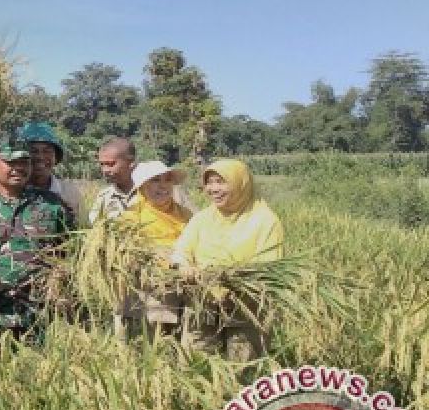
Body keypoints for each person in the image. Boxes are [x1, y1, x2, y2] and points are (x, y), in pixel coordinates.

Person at [0, 130, 75, 345]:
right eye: (10, 162)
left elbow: (69, 249)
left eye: (24, 162)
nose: (18, 168)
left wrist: (59, 277)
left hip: (38, 312)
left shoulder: (53, 205)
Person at [172, 159, 284, 360]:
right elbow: (182, 249)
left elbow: (268, 267)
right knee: (196, 363)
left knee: (242, 368)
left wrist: (229, 278)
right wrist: (184, 266)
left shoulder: (265, 221)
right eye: (209, 182)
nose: (213, 189)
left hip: (245, 310)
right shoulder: (202, 219)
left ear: (240, 183)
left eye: (221, 182)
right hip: (202, 302)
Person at [117, 160, 193, 340]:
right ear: (142, 186)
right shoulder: (131, 219)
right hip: (150, 290)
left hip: (186, 284)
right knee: (152, 339)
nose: (163, 186)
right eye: (155, 180)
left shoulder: (186, 215)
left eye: (167, 180)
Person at [18, 122, 86, 223]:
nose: (40, 157)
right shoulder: (13, 190)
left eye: (47, 151)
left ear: (56, 157)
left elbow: (83, 230)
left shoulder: (69, 193)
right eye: (33, 151)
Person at [89, 137, 137, 223]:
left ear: (131, 163)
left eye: (111, 164)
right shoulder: (104, 197)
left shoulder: (149, 192)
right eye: (102, 164)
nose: (105, 170)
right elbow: (94, 227)